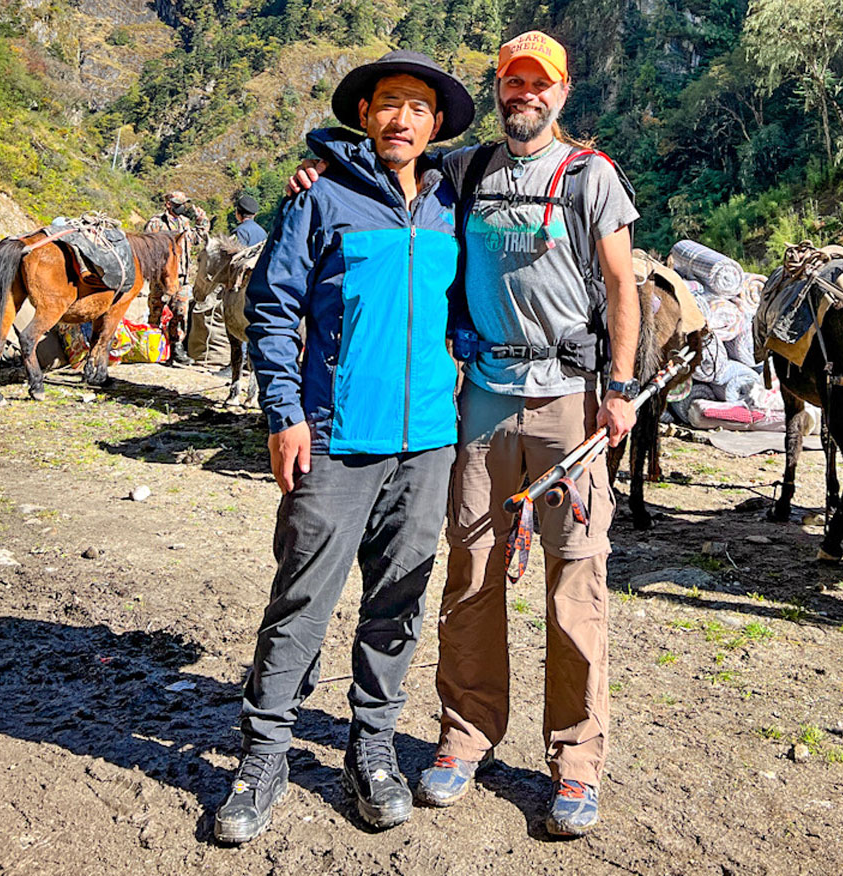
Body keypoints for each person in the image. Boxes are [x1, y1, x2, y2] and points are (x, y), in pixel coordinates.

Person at [288, 30, 640, 838]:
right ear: (499, 88)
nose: (525, 94)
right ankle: (463, 738)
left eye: (539, 83)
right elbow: (382, 171)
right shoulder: (468, 170)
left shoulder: (591, 176)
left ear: (562, 91)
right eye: (512, 81)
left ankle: (576, 760)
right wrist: (311, 174)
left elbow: (622, 283)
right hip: (480, 401)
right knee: (472, 574)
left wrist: (619, 390)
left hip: (568, 406)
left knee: (574, 584)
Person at [212, 50, 475, 844]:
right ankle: (263, 757)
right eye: (389, 104)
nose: (402, 118)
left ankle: (372, 747)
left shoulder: (448, 205)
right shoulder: (319, 198)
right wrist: (283, 412)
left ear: (435, 127)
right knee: (301, 601)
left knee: (397, 604)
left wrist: (460, 351)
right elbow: (272, 308)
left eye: (418, 108)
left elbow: (458, 303)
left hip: (428, 443)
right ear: (365, 115)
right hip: (332, 439)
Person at [144, 191, 209, 364]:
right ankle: (153, 345)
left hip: (182, 278)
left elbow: (197, 239)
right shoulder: (155, 224)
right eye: (179, 203)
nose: (183, 207)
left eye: (184, 203)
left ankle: (176, 347)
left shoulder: (185, 223)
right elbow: (147, 248)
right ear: (168, 204)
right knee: (156, 310)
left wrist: (202, 221)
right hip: (161, 278)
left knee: (180, 313)